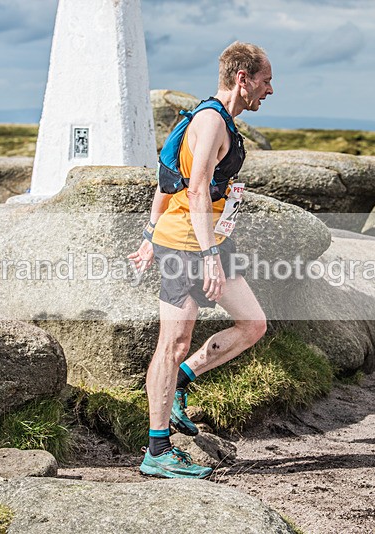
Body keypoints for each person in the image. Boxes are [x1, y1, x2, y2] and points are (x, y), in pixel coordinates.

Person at [128, 41, 273, 478]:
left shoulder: (214, 117)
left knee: (253, 324)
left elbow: (164, 179)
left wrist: (151, 233)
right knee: (171, 345)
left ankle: (181, 386)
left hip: (205, 242)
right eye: (266, 81)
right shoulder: (210, 121)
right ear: (242, 78)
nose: (270, 90)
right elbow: (191, 189)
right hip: (188, 247)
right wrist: (203, 254)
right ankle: (157, 450)